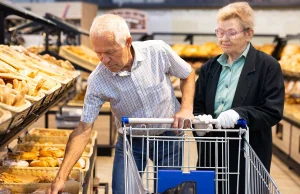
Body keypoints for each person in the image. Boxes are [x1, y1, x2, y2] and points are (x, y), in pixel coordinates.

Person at [48, 14, 195, 194]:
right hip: (131, 143)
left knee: (171, 190)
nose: (104, 60)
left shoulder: (157, 51)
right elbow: (83, 129)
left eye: (110, 52)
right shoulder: (98, 80)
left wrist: (186, 108)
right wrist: (61, 178)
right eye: (98, 53)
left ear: (128, 42)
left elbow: (187, 74)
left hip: (168, 137)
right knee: (122, 191)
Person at [193, 2, 284, 193]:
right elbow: (198, 105)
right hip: (212, 152)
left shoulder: (267, 66)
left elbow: (272, 111)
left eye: (231, 33)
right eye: (219, 32)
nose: (223, 38)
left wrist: (240, 114)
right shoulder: (210, 67)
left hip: (248, 154)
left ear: (248, 33)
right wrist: (199, 124)